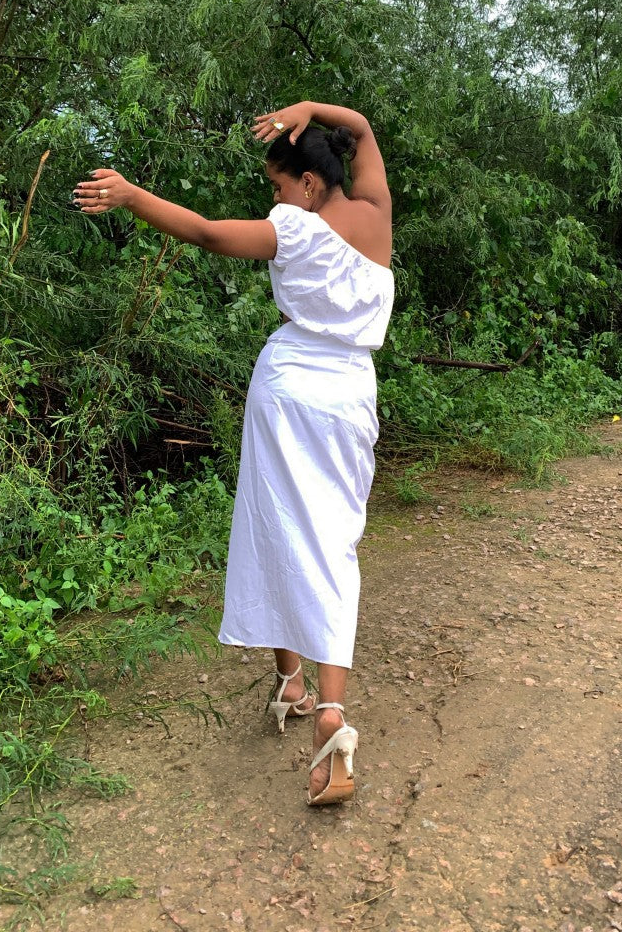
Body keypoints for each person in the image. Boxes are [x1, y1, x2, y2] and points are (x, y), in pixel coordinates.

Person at [75, 100, 393, 805]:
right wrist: (312, 109)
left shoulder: (298, 229)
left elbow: (207, 234)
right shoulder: (375, 211)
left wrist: (130, 195)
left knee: (274, 522)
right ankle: (329, 712)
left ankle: (291, 683)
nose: (276, 199)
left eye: (279, 186)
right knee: (334, 540)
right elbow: (363, 128)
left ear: (308, 186)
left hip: (290, 388)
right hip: (350, 395)